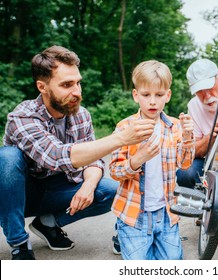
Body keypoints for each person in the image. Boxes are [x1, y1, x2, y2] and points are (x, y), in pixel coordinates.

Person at [0, 45, 155, 260]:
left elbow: (95, 161)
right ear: (42, 87)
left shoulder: (80, 115)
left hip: (57, 190)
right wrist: (120, 138)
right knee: (6, 157)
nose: (77, 92)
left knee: (111, 190)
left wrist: (89, 186)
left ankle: (48, 223)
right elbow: (55, 155)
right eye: (66, 85)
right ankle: (19, 243)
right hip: (20, 195)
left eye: (78, 82)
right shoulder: (23, 116)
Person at [109, 60, 195, 260]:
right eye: (146, 95)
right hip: (133, 215)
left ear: (168, 95)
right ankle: (121, 236)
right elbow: (114, 171)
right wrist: (137, 159)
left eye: (159, 95)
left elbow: (185, 164)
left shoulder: (174, 126)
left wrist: (189, 136)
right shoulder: (125, 127)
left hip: (166, 214)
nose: (153, 102)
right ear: (136, 95)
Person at [176, 59, 218, 189]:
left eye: (209, 87)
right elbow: (193, 152)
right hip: (211, 161)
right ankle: (196, 204)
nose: (206, 96)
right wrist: (210, 138)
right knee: (185, 173)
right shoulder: (194, 105)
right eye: (199, 91)